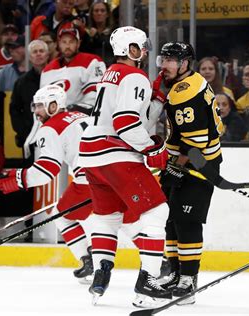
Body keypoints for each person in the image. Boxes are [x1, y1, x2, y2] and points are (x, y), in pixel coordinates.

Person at [77, 26, 171, 307]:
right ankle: (149, 282)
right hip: (115, 154)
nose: (144, 51)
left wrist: (153, 103)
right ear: (130, 49)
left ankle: (100, 275)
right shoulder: (135, 76)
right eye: (141, 47)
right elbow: (126, 123)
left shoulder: (110, 74)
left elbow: (123, 116)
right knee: (157, 211)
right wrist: (152, 148)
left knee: (108, 217)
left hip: (91, 157)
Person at [0, 84, 95, 284]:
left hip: (89, 179)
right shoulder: (81, 116)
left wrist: (17, 181)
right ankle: (160, 261)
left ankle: (87, 260)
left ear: (55, 105)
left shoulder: (50, 128)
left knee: (64, 217)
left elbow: (47, 172)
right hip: (111, 173)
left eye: (41, 106)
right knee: (126, 221)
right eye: (36, 106)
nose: (36, 111)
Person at [157, 41, 223, 305]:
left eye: (171, 60)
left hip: (197, 162)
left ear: (185, 64)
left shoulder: (186, 91)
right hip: (184, 160)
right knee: (171, 219)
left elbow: (194, 141)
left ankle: (188, 279)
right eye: (163, 59)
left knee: (187, 220)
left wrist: (177, 165)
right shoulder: (184, 84)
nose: (164, 65)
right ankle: (173, 273)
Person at [40, 24, 106, 114]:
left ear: (78, 43)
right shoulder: (47, 69)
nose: (67, 46)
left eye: (71, 42)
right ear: (58, 44)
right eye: (64, 42)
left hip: (79, 118)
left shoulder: (92, 62)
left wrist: (76, 111)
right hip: (54, 118)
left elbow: (95, 95)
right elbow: (42, 100)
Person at [10, 39, 49, 149]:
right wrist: (24, 133)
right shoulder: (22, 82)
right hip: (29, 136)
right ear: (30, 57)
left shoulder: (57, 77)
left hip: (54, 132)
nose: (38, 54)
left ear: (47, 55)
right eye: (34, 51)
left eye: (41, 51)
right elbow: (15, 110)